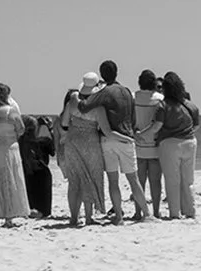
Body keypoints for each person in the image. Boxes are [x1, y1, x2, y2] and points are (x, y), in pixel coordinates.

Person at [84, 59, 141, 224]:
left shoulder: (103, 93)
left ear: (101, 74)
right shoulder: (127, 91)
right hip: (126, 137)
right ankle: (144, 213)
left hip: (108, 138)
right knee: (133, 179)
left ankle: (119, 215)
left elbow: (89, 109)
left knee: (113, 181)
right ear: (117, 72)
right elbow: (133, 117)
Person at [56, 77, 106, 226]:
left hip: (73, 140)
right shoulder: (98, 105)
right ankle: (89, 217)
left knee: (74, 180)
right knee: (90, 177)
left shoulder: (73, 99)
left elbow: (64, 122)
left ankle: (73, 217)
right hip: (91, 142)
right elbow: (103, 127)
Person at [0, 82, 29, 227]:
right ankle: (9, 217)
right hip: (8, 148)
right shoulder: (11, 111)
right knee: (10, 180)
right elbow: (21, 129)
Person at [154, 70, 200, 219]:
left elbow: (157, 126)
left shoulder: (163, 105)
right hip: (190, 142)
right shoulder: (191, 105)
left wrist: (142, 134)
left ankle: (175, 213)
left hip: (169, 144)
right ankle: (190, 211)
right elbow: (196, 126)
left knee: (172, 180)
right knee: (188, 180)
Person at [132, 71, 167, 220]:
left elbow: (130, 119)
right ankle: (157, 211)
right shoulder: (160, 99)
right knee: (155, 181)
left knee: (139, 181)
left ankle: (138, 212)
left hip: (137, 143)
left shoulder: (133, 97)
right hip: (154, 144)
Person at [22, 106, 55, 219]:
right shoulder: (43, 142)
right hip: (41, 172)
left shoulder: (20, 142)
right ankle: (41, 212)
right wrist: (49, 130)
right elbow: (53, 151)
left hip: (26, 172)